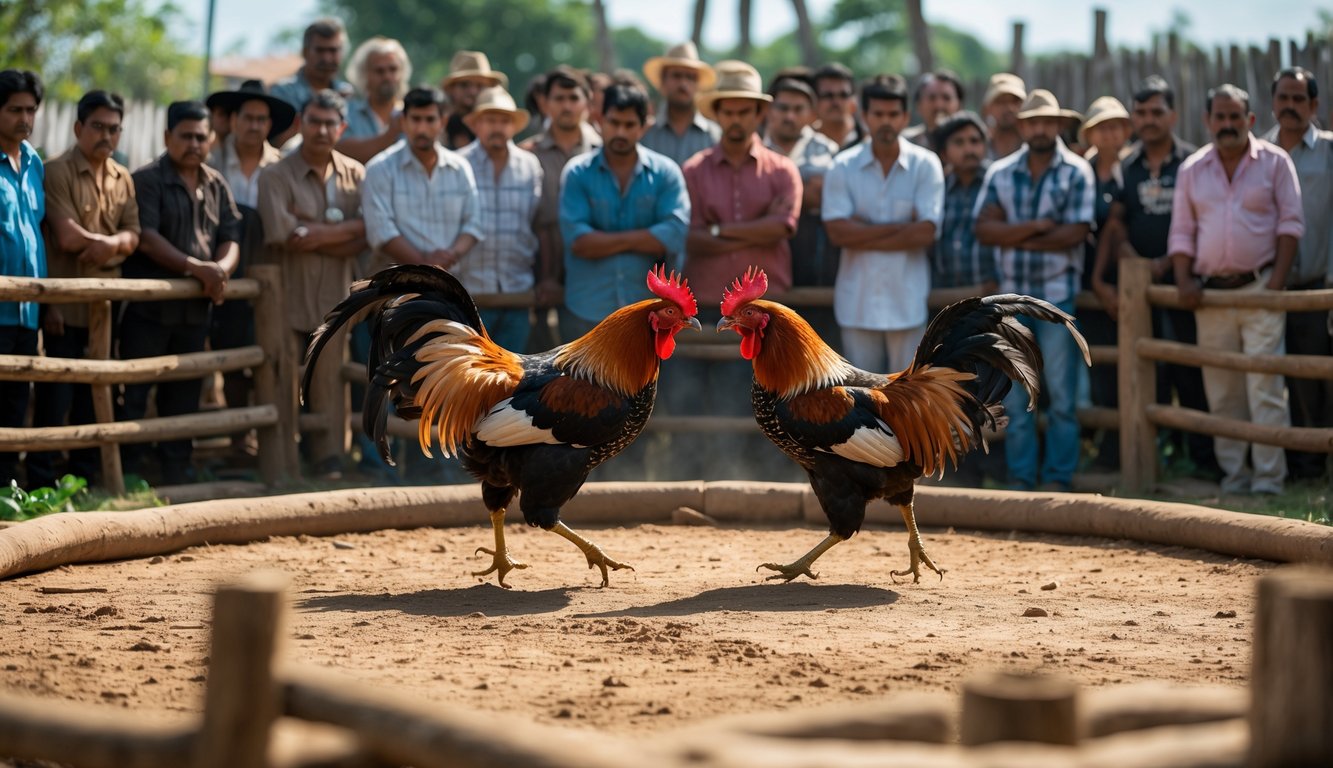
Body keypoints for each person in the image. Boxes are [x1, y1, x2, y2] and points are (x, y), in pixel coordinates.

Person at [1168, 83, 1303, 495]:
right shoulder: (1193, 169)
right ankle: (1235, 477)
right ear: (1207, 121)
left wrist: (1274, 285)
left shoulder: (1276, 162)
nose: (1227, 124)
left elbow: (1291, 224)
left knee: (1265, 388)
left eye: (1234, 117)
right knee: (1222, 389)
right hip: (1210, 295)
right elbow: (1182, 232)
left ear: (1250, 120)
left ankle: (1268, 480)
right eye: (1220, 117)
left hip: (1260, 287)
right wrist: (1184, 280)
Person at [1094, 75, 1216, 480]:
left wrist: (1168, 262)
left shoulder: (1193, 162)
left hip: (1185, 283)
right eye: (1141, 112)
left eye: (1156, 112)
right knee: (1150, 373)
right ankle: (1157, 459)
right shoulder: (1127, 166)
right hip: (1141, 288)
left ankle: (1204, 461)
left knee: (1191, 370)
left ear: (1173, 116)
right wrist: (1135, 262)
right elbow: (1117, 223)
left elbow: (1206, 219)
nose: (1148, 119)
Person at [975, 89, 1095, 492]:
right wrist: (1040, 227)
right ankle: (1022, 479)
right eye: (1033, 122)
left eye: (1047, 121)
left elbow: (1075, 233)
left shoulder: (1077, 170)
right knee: (1016, 396)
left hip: (1057, 300)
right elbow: (983, 230)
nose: (1040, 128)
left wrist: (1011, 232)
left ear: (1058, 125)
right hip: (1011, 304)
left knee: (1061, 395)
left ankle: (1058, 478)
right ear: (1022, 126)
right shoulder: (1001, 171)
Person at [123, 101, 242, 485]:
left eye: (201, 137)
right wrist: (198, 268)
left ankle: (177, 471)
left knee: (185, 391)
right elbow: (147, 238)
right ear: (167, 137)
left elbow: (231, 236)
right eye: (186, 136)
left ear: (211, 140)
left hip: (195, 309)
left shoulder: (215, 182)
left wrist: (221, 270)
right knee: (136, 391)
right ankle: (127, 472)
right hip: (149, 310)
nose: (194, 144)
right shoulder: (147, 179)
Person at [29, 90, 141, 489]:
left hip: (107, 309)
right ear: (78, 128)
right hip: (64, 307)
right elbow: (66, 237)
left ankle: (84, 478)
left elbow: (134, 234)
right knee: (55, 395)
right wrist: (114, 245)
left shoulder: (123, 177)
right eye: (98, 126)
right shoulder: (55, 171)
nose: (106, 135)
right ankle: (41, 479)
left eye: (114, 128)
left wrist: (110, 245)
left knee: (96, 394)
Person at [257, 89, 368, 480]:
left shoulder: (356, 174)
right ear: (299, 124)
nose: (321, 130)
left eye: (329, 123)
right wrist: (343, 232)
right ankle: (284, 460)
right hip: (286, 297)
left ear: (342, 128)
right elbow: (282, 232)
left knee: (329, 380)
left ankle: (329, 458)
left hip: (336, 298)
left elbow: (368, 233)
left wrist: (313, 230)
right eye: (314, 122)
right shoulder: (274, 174)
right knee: (283, 378)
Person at [823, 74, 944, 373]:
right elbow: (837, 233)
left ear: (905, 117)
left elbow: (926, 233)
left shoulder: (925, 164)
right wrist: (902, 227)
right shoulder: (843, 166)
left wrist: (861, 228)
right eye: (878, 114)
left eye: (893, 114)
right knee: (860, 395)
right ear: (864, 116)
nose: (886, 121)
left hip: (907, 303)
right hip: (857, 304)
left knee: (908, 395)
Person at [204, 81, 291, 466]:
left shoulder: (283, 165)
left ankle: (271, 442)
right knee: (231, 357)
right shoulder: (210, 161)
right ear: (234, 120)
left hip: (272, 273)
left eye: (261, 119)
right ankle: (239, 441)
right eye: (248, 118)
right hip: (222, 272)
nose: (255, 125)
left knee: (270, 356)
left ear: (270, 124)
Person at [1264, 67, 1333, 481]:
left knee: (1316, 377)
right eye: (1283, 98)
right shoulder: (1258, 152)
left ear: (1314, 105)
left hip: (1318, 288)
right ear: (1272, 102)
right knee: (1276, 379)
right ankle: (1295, 465)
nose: (1290, 106)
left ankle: (1313, 466)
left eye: (1298, 99)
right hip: (1266, 287)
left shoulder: (1329, 152)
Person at [457, 87, 543, 352]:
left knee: (512, 374)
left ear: (513, 126)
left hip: (517, 292)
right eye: (490, 120)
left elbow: (537, 223)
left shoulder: (529, 165)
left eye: (504, 120)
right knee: (470, 374)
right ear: (476, 124)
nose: (497, 127)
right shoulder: (458, 164)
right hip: (469, 294)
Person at [763, 75, 840, 345]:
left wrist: (777, 199)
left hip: (817, 257)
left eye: (798, 109)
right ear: (769, 111)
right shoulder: (754, 147)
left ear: (811, 114)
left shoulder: (829, 150)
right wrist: (807, 191)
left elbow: (829, 199)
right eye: (783, 108)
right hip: (766, 252)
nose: (790, 116)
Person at [520, 66, 602, 317]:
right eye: (559, 98)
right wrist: (546, 277)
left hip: (593, 275)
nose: (567, 106)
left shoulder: (605, 152)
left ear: (588, 102)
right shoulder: (526, 155)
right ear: (545, 103)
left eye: (574, 98)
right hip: (537, 278)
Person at [1077, 96, 1131, 470]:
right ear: (1090, 133)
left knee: (1126, 366)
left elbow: (1117, 227)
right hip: (1087, 282)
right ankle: (1102, 448)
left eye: (1115, 126)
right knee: (1097, 368)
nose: (1109, 133)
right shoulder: (1081, 171)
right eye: (1102, 127)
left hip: (1124, 280)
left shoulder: (1133, 169)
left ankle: (1120, 449)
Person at [0, 69, 46, 487]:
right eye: (15, 110)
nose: (24, 119)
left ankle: (7, 489)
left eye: (30, 110)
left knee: (17, 401)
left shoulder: (33, 162)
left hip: (27, 311)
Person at [270, 17, 355, 145]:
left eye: (333, 50)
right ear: (305, 52)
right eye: (320, 50)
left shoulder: (349, 94)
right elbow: (277, 144)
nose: (327, 58)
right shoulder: (282, 93)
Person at [641, 42, 719, 167]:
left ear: (697, 85)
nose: (683, 84)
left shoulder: (714, 135)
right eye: (676, 76)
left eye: (690, 77)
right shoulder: (645, 133)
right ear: (663, 82)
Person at [337, 36, 411, 164]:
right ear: (363, 74)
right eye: (379, 71)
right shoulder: (347, 112)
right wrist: (390, 134)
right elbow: (343, 152)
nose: (387, 76)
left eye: (393, 69)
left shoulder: (412, 114)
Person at [441, 51, 507, 150]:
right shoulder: (438, 125)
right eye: (464, 85)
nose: (472, 92)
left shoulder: (500, 127)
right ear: (451, 89)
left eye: (480, 85)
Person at [902, 70, 964, 151]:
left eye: (946, 98)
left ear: (959, 104)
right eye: (932, 98)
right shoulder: (905, 144)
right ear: (918, 105)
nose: (939, 105)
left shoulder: (972, 143)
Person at [812, 62, 865, 151]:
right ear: (814, 100)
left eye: (843, 95)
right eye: (828, 95)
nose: (836, 102)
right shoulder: (804, 142)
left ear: (853, 100)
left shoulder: (868, 140)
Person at [982, 73, 1026, 161]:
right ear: (988, 108)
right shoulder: (979, 148)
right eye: (1001, 102)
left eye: (1015, 101)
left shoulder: (1034, 146)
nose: (1009, 108)